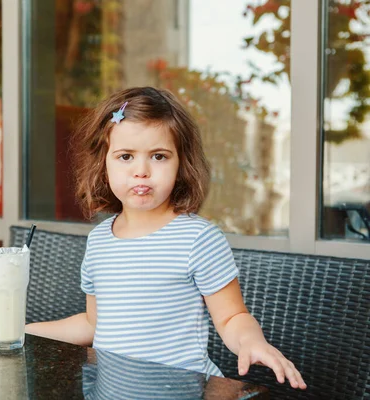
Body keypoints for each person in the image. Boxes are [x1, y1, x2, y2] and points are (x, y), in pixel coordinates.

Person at [26, 87, 306, 389]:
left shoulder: (198, 238)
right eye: (125, 156)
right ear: (103, 164)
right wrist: (22, 331)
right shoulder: (99, 242)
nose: (141, 171)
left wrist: (253, 342)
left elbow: (232, 318)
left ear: (181, 164)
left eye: (159, 156)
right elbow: (94, 324)